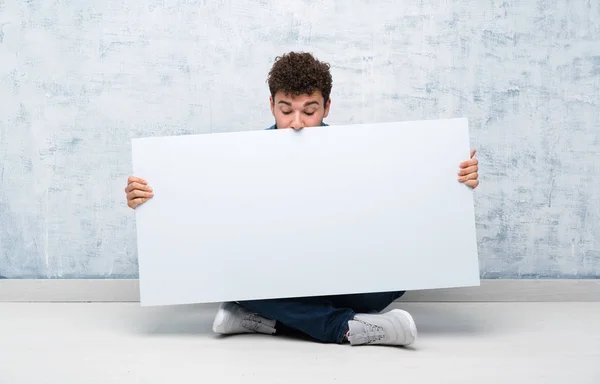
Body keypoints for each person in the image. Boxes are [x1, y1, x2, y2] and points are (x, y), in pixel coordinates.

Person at [125, 52, 480, 347]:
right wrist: (149, 201)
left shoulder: (362, 153)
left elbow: (407, 194)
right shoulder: (239, 157)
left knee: (389, 287)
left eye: (309, 111)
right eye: (286, 109)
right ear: (271, 105)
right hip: (275, 274)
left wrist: (454, 179)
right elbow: (200, 207)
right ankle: (346, 328)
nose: (296, 122)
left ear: (327, 107)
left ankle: (263, 320)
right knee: (235, 280)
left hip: (344, 272)